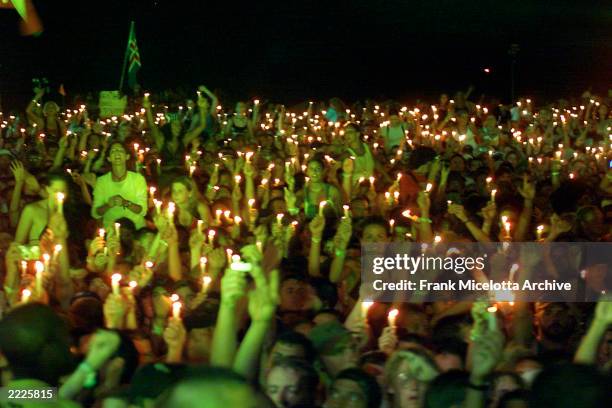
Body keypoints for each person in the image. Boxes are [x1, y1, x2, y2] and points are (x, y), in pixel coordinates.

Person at [91, 141, 148, 230]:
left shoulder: (138, 179)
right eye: (113, 151)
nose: (117, 152)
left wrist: (125, 203)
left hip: (135, 229)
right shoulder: (101, 181)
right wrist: (108, 205)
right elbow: (95, 213)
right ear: (109, 158)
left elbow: (143, 211)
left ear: (127, 156)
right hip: (111, 230)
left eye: (120, 150)